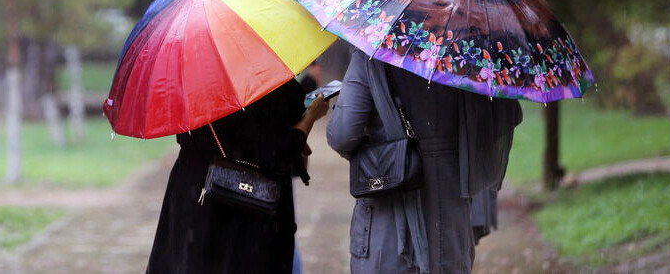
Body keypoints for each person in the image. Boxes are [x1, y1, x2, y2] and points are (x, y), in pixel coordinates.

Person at [326, 49, 523, 274]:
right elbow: (500, 120)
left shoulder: (373, 51)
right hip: (450, 216)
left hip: (388, 221)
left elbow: (343, 134)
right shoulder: (470, 53)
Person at [146, 79, 330, 274]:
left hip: (194, 189)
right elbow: (280, 151)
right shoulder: (271, 82)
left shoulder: (191, 78)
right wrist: (310, 116)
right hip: (250, 206)